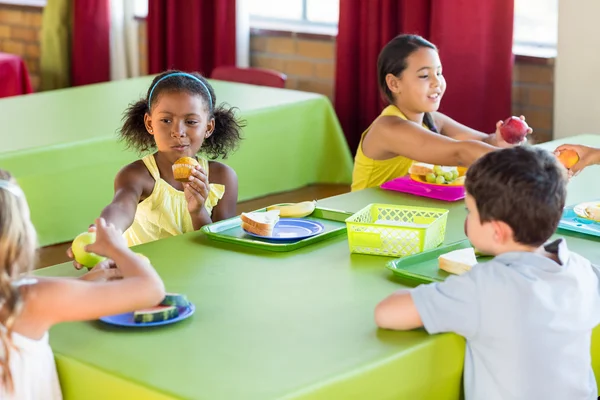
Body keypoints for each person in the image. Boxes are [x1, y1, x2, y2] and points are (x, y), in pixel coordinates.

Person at [375, 147, 600, 399]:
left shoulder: (485, 286)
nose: (467, 217)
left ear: (497, 231)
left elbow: (387, 314)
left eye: (470, 211)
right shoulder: (583, 271)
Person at [0, 169, 165, 399]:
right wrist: (117, 248)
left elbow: (37, 288)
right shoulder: (28, 298)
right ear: (16, 237)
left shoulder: (24, 292)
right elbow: (151, 289)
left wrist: (84, 282)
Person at [74, 70, 244, 255]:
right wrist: (105, 230)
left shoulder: (222, 177)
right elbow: (120, 208)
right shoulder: (137, 175)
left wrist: (198, 212)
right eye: (166, 120)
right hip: (145, 274)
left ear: (208, 127)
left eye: (191, 121)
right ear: (149, 123)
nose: (178, 131)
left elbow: (222, 248)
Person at [352, 34, 531, 191]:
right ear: (394, 84)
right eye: (424, 76)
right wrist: (525, 164)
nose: (437, 82)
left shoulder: (432, 120)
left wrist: (500, 140)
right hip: (363, 224)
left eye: (439, 73)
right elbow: (459, 153)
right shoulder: (388, 128)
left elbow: (483, 141)